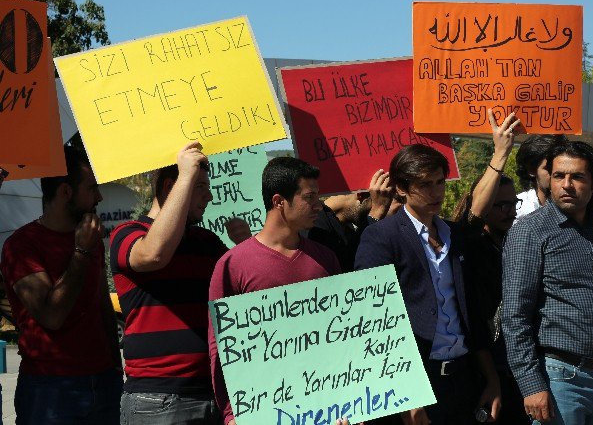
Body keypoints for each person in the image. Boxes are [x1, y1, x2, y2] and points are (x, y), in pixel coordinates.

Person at [355, 128, 508, 424]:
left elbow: (470, 314)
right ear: (401, 188)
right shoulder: (382, 237)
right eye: (425, 185)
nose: (437, 192)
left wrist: (491, 378)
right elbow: (372, 321)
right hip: (416, 386)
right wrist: (402, 395)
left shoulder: (455, 236)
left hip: (464, 381)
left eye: (440, 182)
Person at [208, 157, 342, 425]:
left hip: (326, 408)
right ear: (279, 201)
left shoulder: (326, 258)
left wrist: (354, 398)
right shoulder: (233, 265)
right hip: (264, 412)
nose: (319, 206)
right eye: (309, 197)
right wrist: (231, 414)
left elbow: (344, 334)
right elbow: (220, 346)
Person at [502, 140, 593, 425]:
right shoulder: (530, 232)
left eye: (577, 176)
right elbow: (514, 316)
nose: (566, 184)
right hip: (561, 379)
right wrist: (531, 384)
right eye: (559, 176)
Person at [0, 146, 122, 424]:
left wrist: (116, 367)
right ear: (66, 192)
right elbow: (51, 315)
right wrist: (80, 252)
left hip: (103, 381)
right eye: (92, 188)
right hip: (50, 390)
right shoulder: (22, 246)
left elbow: (102, 306)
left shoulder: (88, 238)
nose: (100, 197)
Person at [110, 142, 228, 424]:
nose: (209, 196)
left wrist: (248, 244)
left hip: (213, 395)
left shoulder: (207, 242)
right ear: (169, 187)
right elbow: (153, 254)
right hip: (157, 401)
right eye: (200, 186)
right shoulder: (127, 233)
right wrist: (187, 174)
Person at [452, 113, 529, 425]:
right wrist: (501, 153)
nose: (509, 211)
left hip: (518, 366)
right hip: (483, 368)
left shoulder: (518, 245)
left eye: (513, 204)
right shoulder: (467, 245)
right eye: (500, 205)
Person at [309, 169, 394, 272]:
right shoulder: (315, 229)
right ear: (360, 195)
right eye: (375, 202)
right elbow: (356, 269)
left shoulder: (344, 227)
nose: (369, 213)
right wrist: (376, 214)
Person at [515, 135, 568, 219]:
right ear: (532, 170)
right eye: (549, 168)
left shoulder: (577, 210)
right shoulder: (517, 211)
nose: (557, 174)